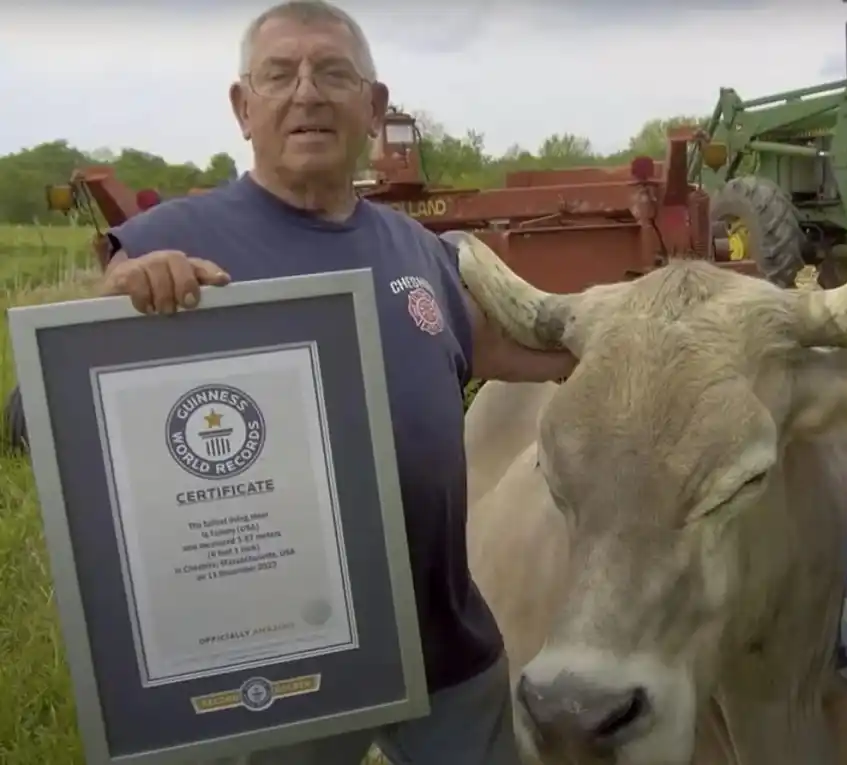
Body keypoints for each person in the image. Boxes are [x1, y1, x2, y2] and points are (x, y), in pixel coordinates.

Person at [96, 1, 575, 763]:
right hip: (279, 658)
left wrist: (626, 342)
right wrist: (130, 289)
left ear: (374, 107)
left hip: (444, 638)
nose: (307, 92)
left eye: (334, 73)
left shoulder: (418, 248)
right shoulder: (173, 239)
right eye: (279, 74)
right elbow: (84, 347)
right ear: (241, 106)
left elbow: (492, 342)